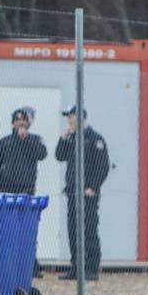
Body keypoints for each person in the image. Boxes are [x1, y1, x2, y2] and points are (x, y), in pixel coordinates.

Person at [54, 106, 108, 280]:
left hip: (88, 193)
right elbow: (59, 156)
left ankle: (91, 269)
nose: (69, 120)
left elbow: (103, 166)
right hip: (73, 191)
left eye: (70, 117)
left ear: (80, 117)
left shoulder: (95, 139)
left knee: (89, 229)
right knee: (73, 229)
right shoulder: (71, 138)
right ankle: (76, 267)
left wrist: (93, 186)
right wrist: (64, 138)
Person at [0, 107, 48, 194]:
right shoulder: (4, 141)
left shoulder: (35, 139)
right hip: (6, 187)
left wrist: (26, 139)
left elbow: (42, 155)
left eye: (24, 120)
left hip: (27, 187)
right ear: (13, 123)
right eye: (18, 119)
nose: (21, 122)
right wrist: (1, 176)